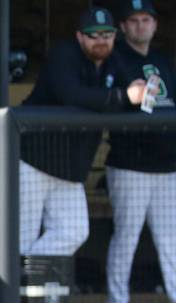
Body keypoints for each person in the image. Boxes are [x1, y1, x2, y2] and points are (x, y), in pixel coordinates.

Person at [19, 7, 147, 258]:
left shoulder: (114, 59)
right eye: (93, 35)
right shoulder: (64, 55)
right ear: (80, 37)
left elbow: (133, 88)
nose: (101, 40)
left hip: (70, 166)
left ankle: (18, 281)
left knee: (74, 231)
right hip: (32, 160)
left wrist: (138, 89)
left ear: (115, 36)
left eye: (107, 35)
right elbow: (72, 95)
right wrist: (123, 96)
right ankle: (12, 292)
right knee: (22, 236)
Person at [104, 0, 176, 303]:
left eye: (146, 19)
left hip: (168, 166)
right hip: (129, 165)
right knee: (127, 237)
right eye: (133, 20)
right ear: (123, 26)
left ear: (155, 25)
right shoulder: (114, 59)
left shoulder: (163, 61)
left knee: (171, 239)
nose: (141, 26)